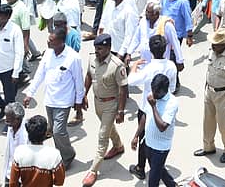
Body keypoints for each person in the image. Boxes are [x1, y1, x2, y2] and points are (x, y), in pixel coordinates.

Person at [23, 27, 84, 170]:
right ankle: (60, 154)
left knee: (58, 131)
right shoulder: (48, 54)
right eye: (49, 39)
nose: (48, 42)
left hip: (64, 102)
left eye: (52, 40)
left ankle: (68, 156)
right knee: (55, 133)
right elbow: (39, 74)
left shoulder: (73, 58)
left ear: (61, 42)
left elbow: (79, 81)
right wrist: (30, 93)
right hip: (50, 100)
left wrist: (79, 102)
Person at [81, 34, 129, 186]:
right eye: (95, 48)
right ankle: (118, 146)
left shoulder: (117, 65)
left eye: (100, 48)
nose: (97, 51)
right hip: (97, 103)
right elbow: (89, 75)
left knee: (102, 136)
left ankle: (93, 171)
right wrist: (83, 94)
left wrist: (120, 111)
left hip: (111, 104)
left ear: (108, 48)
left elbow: (123, 89)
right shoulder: (91, 59)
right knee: (107, 127)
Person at [195, 27, 225, 163]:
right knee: (207, 122)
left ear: (224, 43)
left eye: (216, 43)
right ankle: (208, 147)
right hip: (209, 92)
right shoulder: (212, 52)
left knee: (223, 124)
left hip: (224, 95)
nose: (213, 45)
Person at [139, 74, 179, 187]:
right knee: (158, 168)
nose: (154, 94)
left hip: (160, 148)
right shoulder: (152, 96)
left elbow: (162, 127)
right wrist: (137, 135)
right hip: (148, 143)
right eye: (153, 90)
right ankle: (172, 185)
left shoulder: (172, 103)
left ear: (165, 90)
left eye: (157, 92)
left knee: (153, 180)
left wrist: (153, 106)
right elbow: (145, 116)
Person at [10, 115, 66, 187]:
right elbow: (60, 182)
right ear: (46, 133)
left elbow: (13, 183)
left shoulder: (19, 152)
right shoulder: (54, 154)